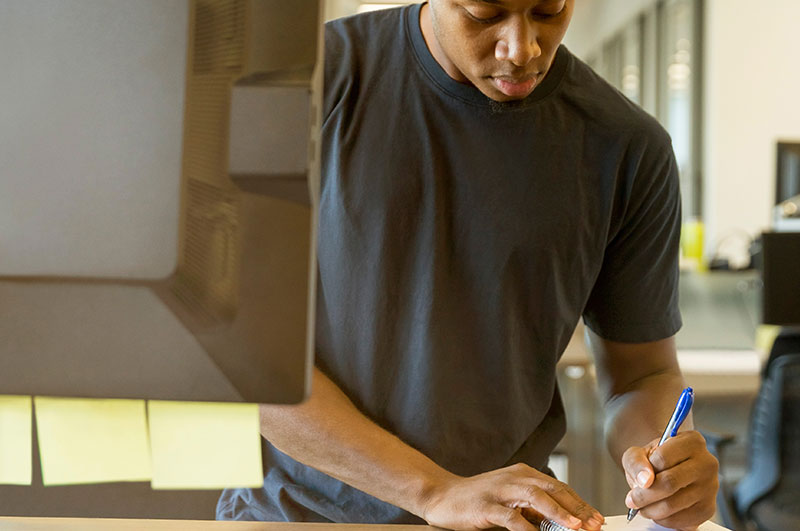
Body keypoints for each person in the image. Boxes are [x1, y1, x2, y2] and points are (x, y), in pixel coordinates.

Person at [217, 1, 719, 529]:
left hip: (505, 521)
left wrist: (664, 463)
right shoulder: (306, 82)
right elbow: (244, 358)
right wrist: (433, 490)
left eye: (549, 11)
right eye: (485, 14)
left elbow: (643, 374)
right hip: (294, 515)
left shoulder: (627, 147)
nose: (521, 48)